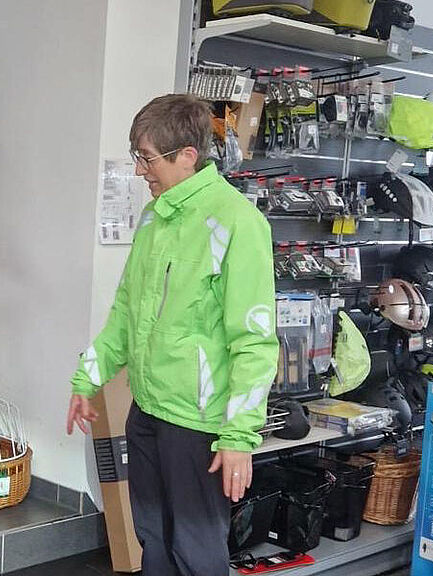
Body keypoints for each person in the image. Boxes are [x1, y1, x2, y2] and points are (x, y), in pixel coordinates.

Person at [66, 94, 278, 576]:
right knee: (154, 542)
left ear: (186, 155)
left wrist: (239, 437)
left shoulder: (238, 222)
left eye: (147, 158)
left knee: (195, 552)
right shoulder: (155, 217)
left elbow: (254, 340)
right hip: (147, 411)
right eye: (137, 156)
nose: (140, 170)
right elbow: (126, 313)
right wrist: (87, 380)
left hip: (198, 426)